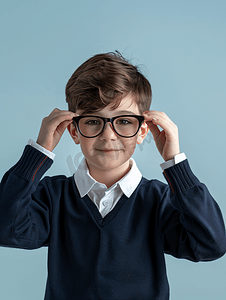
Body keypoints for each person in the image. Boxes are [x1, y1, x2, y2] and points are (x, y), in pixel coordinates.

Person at [0, 52, 226, 300]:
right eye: (94, 121)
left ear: (143, 131)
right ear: (74, 131)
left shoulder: (160, 200)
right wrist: (38, 152)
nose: (108, 135)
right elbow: (5, 229)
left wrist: (176, 165)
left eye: (125, 121)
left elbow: (210, 245)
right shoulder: (52, 197)